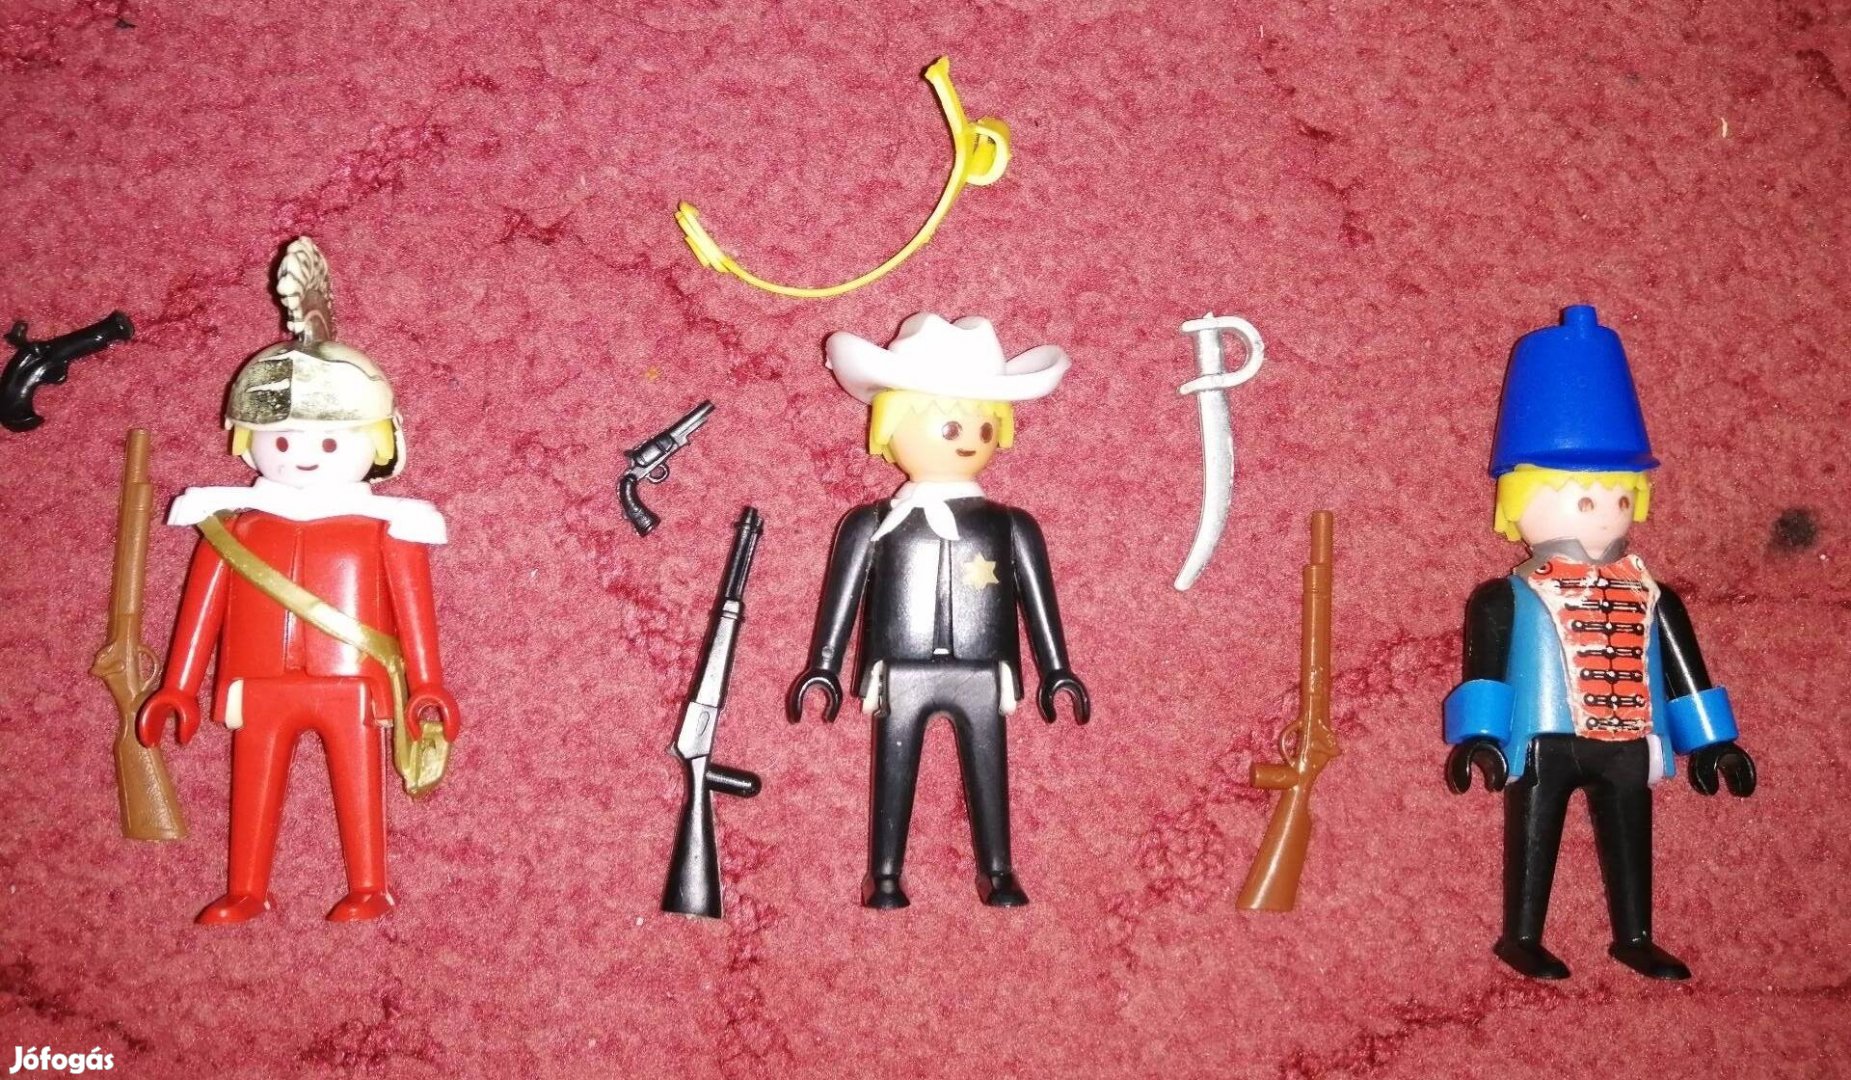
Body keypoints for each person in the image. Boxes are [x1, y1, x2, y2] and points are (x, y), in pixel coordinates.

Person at [1443, 305, 1755, 979]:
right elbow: (1485, 672)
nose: (1605, 514)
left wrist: (1712, 742)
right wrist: (1480, 736)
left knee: (1631, 834)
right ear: (1516, 502)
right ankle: (1522, 934)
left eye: (1618, 498)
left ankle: (1634, 935)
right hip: (1546, 738)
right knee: (1536, 833)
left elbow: (1686, 671)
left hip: (1629, 740)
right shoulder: (1506, 597)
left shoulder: (1652, 595)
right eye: (1583, 499)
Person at [789, 313, 1090, 909]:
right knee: (893, 770)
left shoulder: (1012, 525)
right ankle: (884, 874)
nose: (969, 439)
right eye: (950, 425)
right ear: (890, 428)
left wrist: (1057, 668)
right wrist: (823, 664)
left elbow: (1039, 598)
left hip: (984, 668)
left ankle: (998, 869)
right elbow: (842, 598)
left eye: (984, 426)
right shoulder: (872, 524)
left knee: (989, 768)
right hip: (899, 666)